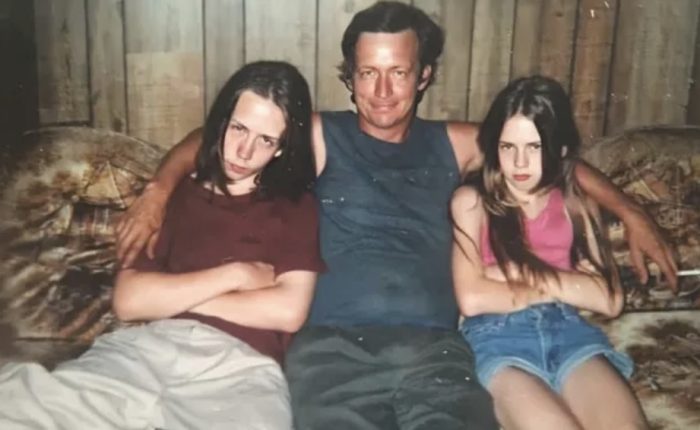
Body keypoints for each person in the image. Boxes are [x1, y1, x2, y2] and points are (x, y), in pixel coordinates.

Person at [115, 2, 675, 429]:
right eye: (367, 73)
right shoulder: (322, 135)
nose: (382, 91)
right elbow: (219, 135)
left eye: (399, 73)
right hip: (330, 351)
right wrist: (159, 190)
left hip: (436, 349)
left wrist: (631, 212)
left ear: (424, 75)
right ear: (350, 76)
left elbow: (551, 157)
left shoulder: (453, 143)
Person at [0, 61, 324, 429]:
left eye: (265, 140)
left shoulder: (294, 208)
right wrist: (237, 274)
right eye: (238, 128)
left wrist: (170, 296)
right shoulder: (176, 195)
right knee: (18, 408)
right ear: (220, 123)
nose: (244, 151)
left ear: (281, 149)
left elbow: (288, 310)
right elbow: (128, 300)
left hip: (239, 368)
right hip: (145, 352)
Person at [452, 75, 649, 430]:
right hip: (497, 339)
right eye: (508, 147)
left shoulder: (578, 205)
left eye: (534, 147)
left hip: (569, 333)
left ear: (559, 149)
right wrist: (569, 283)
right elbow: (472, 299)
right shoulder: (471, 203)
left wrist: (516, 273)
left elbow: (610, 300)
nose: (519, 162)